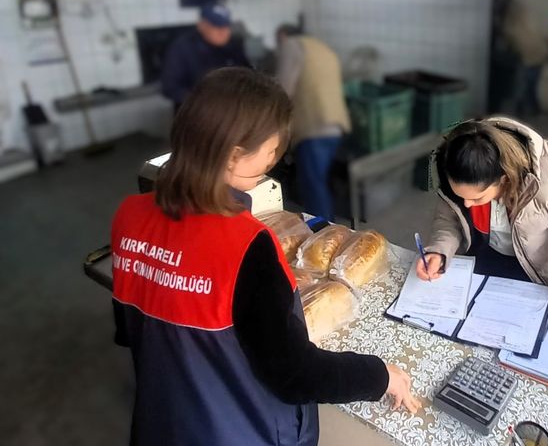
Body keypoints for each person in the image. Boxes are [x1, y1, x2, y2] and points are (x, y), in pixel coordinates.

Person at [111, 67, 418, 445]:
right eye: (271, 150)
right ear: (233, 156)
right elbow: (293, 374)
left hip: (159, 426)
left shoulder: (128, 215)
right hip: (237, 433)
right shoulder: (247, 246)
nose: (275, 159)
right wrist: (379, 375)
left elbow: (132, 334)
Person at [415, 117, 548, 339]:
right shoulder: (457, 163)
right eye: (461, 197)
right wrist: (439, 251)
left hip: (537, 267)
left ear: (504, 180)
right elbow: (449, 220)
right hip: (484, 254)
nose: (467, 204)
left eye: (477, 198)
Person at [275, 24, 351, 221]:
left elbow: (283, 90)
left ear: (284, 36)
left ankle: (321, 231)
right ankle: (328, 224)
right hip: (336, 125)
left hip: (314, 128)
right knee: (321, 182)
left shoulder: (291, 45)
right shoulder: (322, 48)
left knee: (314, 185)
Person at [161, 3, 250, 110]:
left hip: (231, 109)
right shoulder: (182, 48)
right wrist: (203, 102)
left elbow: (247, 74)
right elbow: (170, 87)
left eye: (226, 26)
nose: (223, 32)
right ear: (202, 26)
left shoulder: (234, 45)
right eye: (217, 26)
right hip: (196, 112)